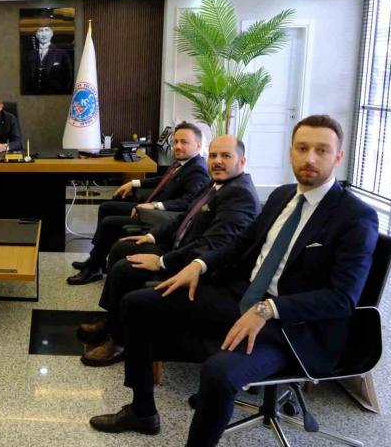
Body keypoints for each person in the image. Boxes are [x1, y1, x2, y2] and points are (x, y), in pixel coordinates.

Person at [89, 115, 378, 446]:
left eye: (321, 150)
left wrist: (269, 309)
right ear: (291, 152)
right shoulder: (283, 196)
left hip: (291, 328)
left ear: (338, 157)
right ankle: (142, 411)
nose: (310, 158)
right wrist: (199, 265)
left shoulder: (355, 216)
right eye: (302, 148)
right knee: (137, 304)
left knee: (219, 371)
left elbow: (342, 298)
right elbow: (240, 244)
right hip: (241, 296)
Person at [79, 135, 260, 366]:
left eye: (226, 156)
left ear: (242, 161)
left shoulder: (239, 194)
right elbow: (184, 217)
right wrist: (152, 236)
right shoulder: (216, 184)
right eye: (213, 155)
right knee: (123, 247)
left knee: (126, 268)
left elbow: (212, 245)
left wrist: (162, 261)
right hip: (180, 247)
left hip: (199, 268)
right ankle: (113, 321)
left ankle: (119, 341)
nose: (217, 161)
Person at [68, 122, 210, 285]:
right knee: (107, 207)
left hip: (161, 216)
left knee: (109, 223)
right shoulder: (183, 162)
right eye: (176, 141)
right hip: (152, 208)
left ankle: (93, 267)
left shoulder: (198, 170)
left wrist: (155, 206)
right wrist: (134, 183)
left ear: (198, 145)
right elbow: (163, 180)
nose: (177, 146)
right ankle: (96, 259)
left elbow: (188, 203)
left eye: (184, 142)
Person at [21, 25, 73, 94]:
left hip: (55, 95)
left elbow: (68, 78)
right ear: (37, 35)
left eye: (47, 30)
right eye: (41, 31)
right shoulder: (29, 55)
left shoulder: (62, 54)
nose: (44, 34)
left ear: (51, 35)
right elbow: (24, 78)